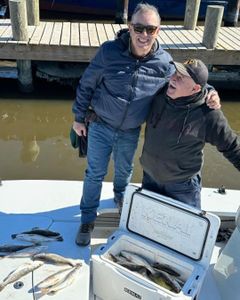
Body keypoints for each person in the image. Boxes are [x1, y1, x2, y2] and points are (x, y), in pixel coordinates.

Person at [72, 3, 220, 246]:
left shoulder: (164, 62)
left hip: (130, 130)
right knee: (94, 174)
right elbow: (87, 84)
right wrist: (78, 117)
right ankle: (87, 218)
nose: (144, 35)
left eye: (150, 29)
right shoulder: (109, 52)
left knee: (124, 172)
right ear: (129, 27)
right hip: (100, 124)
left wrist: (211, 92)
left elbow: (190, 80)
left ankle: (121, 200)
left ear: (158, 31)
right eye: (139, 28)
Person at [140, 58, 240, 209]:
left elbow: (232, 147)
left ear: (195, 89)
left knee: (184, 230)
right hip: (149, 178)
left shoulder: (208, 114)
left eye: (180, 77)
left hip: (182, 187)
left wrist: (210, 91)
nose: (173, 78)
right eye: (175, 73)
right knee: (148, 227)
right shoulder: (160, 93)